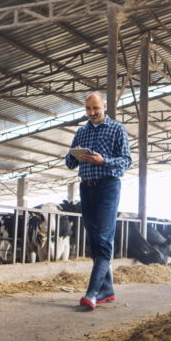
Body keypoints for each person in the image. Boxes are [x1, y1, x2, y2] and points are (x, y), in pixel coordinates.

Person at [65, 91, 132, 310]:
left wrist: (103, 161)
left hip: (108, 188)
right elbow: (69, 163)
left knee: (103, 240)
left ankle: (92, 293)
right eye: (88, 109)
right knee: (94, 242)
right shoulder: (81, 131)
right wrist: (74, 154)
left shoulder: (117, 129)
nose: (92, 113)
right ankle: (108, 289)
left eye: (96, 108)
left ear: (104, 106)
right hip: (87, 188)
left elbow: (126, 161)